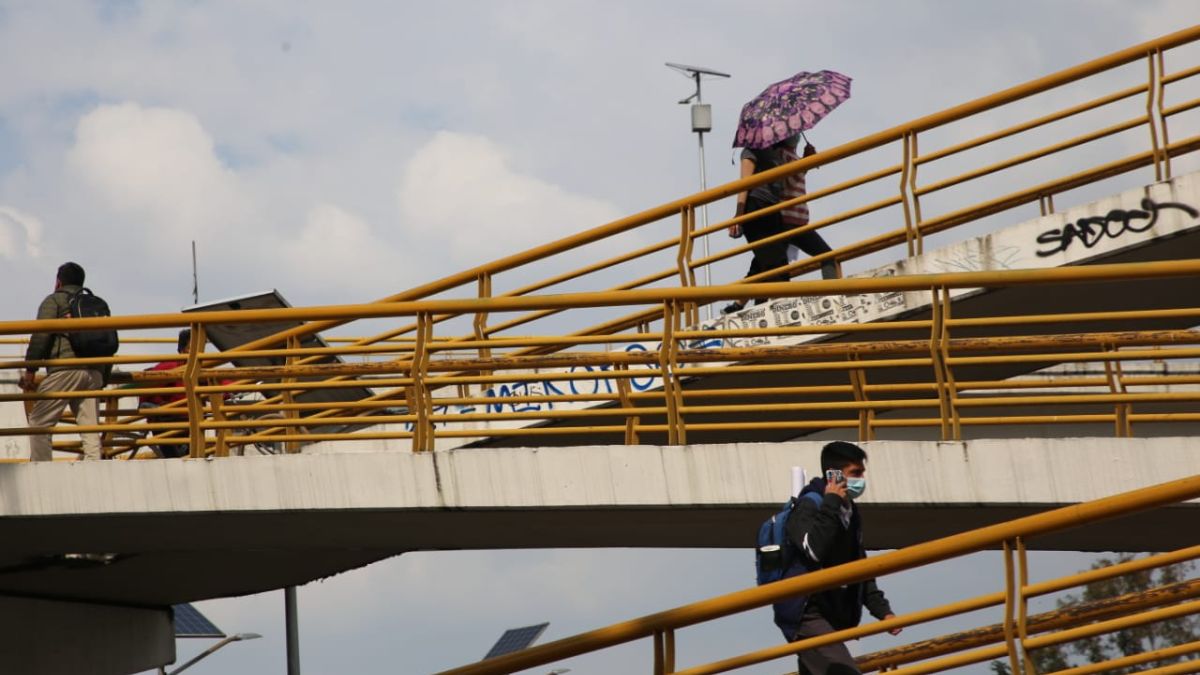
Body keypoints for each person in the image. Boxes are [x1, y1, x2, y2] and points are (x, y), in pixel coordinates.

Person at [781, 441, 900, 675]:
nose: (861, 479)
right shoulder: (809, 505)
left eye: (862, 472)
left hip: (831, 613)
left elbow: (859, 567)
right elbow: (814, 550)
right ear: (833, 475)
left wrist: (883, 611)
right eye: (855, 473)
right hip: (806, 611)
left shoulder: (850, 512)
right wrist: (831, 503)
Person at [724, 135, 837, 314]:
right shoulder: (757, 152)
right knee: (772, 267)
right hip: (767, 212)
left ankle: (740, 306)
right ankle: (755, 309)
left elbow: (789, 179)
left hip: (776, 213)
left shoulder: (773, 154)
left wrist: (806, 161)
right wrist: (738, 214)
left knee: (767, 266)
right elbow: (745, 184)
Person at [18, 262, 105, 461]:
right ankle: (95, 467)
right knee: (90, 428)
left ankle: (42, 470)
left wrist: (30, 371)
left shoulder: (55, 300)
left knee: (39, 423)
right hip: (94, 373)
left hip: (64, 369)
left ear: (58, 282)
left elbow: (41, 336)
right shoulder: (93, 304)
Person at [138, 328, 192, 458]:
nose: (198, 351)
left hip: (187, 422)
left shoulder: (199, 367)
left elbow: (220, 383)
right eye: (193, 347)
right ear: (183, 349)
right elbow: (146, 388)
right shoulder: (170, 367)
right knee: (176, 458)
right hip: (168, 421)